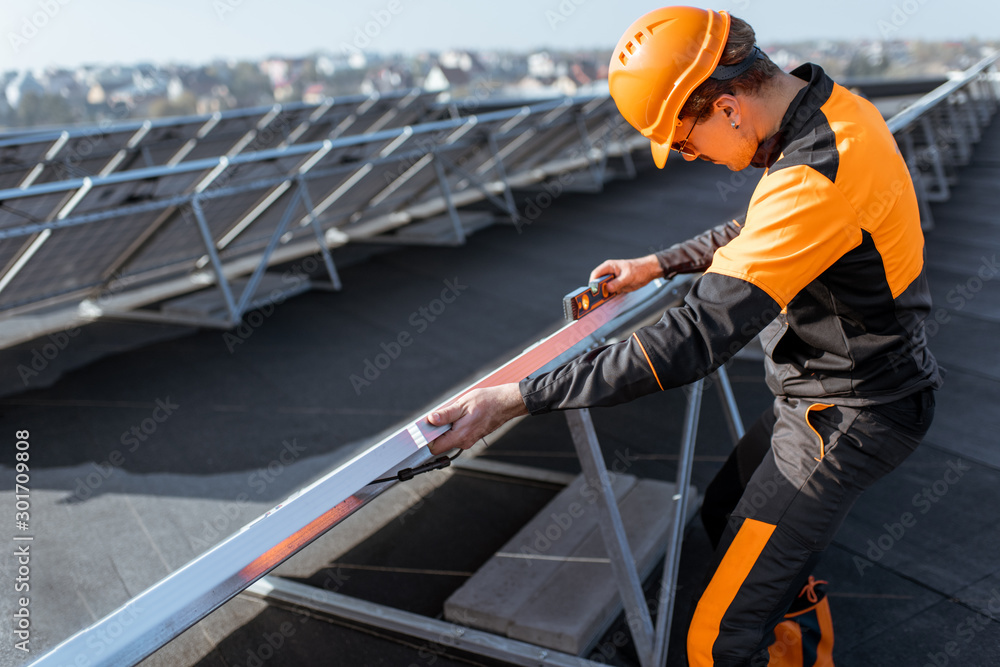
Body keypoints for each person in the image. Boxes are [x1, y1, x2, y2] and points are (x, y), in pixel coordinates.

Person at [428, 6, 941, 666]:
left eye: (688, 143)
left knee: (712, 640)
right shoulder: (835, 114)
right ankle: (798, 640)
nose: (694, 158)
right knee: (723, 508)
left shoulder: (814, 179)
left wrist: (515, 398)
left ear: (728, 108)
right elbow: (765, 231)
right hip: (834, 393)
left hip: (853, 413)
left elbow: (690, 338)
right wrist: (658, 264)